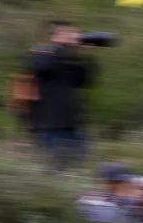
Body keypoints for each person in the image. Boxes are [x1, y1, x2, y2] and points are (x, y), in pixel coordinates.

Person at [25, 21, 99, 171]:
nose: (74, 36)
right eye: (68, 33)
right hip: (49, 125)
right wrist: (59, 48)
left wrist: (85, 54)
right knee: (56, 168)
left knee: (76, 168)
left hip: (71, 123)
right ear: (53, 36)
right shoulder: (41, 53)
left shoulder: (68, 59)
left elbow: (85, 81)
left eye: (75, 33)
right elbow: (41, 67)